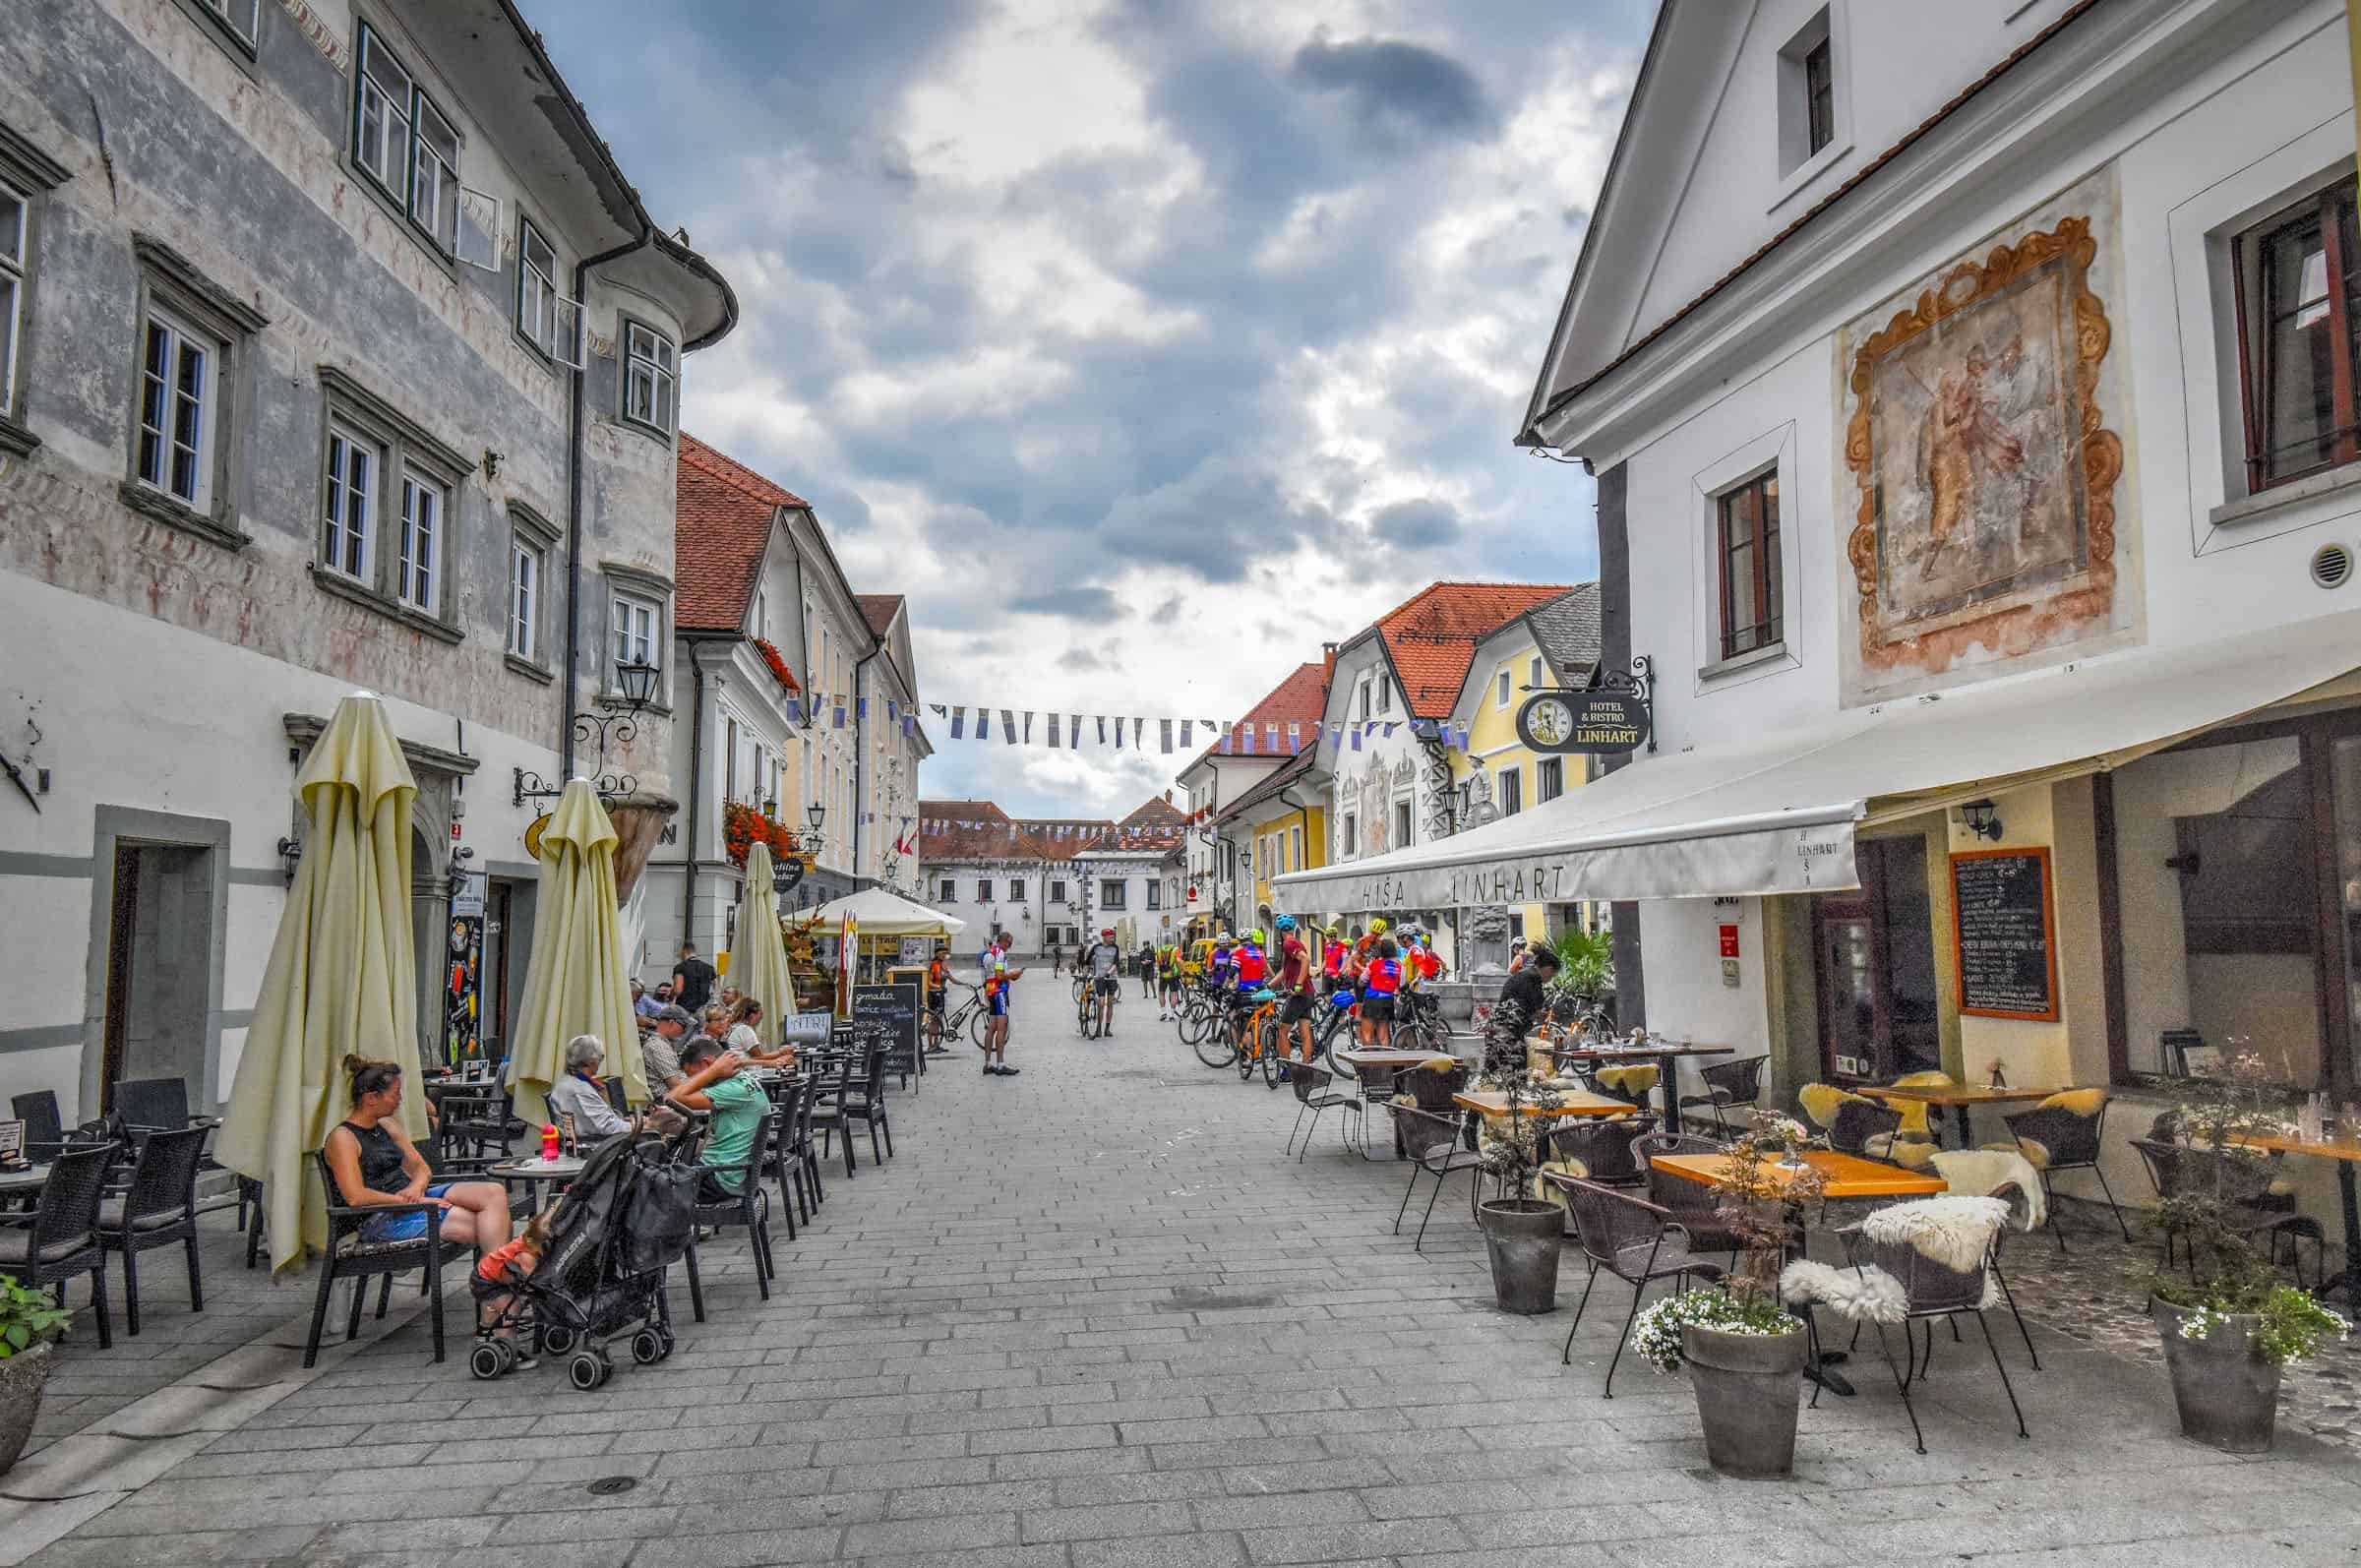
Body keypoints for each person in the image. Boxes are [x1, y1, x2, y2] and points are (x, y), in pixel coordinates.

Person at [323, 1055, 514, 1252]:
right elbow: (356, 1196)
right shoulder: (343, 1138)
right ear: (371, 1098)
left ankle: (492, 1277)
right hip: (379, 1218)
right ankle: (495, 1278)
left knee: (494, 1192)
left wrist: (415, 1189)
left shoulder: (387, 1125)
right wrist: (410, 1201)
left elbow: (421, 1168)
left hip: (410, 1201)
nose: (399, 1100)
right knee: (489, 1224)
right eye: (395, 1094)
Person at [664, 1035, 764, 1200]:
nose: (693, 1081)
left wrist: (713, 1071)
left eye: (693, 1075)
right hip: (732, 1174)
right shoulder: (742, 1080)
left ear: (707, 1063)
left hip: (720, 1180)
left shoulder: (731, 1089)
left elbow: (671, 1098)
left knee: (650, 1184)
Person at [471, 1205, 554, 1369]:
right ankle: (506, 1349)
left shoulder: (531, 1242)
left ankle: (490, 1332)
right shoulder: (526, 1255)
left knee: (513, 1305)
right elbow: (534, 1281)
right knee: (511, 1309)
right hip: (487, 1281)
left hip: (502, 1278)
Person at [545, 1034, 633, 1145]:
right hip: (594, 1148)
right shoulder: (580, 1089)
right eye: (601, 1058)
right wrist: (642, 1125)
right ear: (593, 1061)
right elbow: (608, 1127)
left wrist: (626, 1122)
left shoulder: (569, 1082)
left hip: (585, 1142)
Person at [1488, 944, 1558, 1074]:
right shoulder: (1533, 979)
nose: (1550, 979)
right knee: (1517, 1074)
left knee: (1498, 1075)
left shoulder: (1522, 975)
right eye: (1552, 975)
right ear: (1548, 969)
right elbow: (1538, 1012)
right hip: (1511, 1034)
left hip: (1498, 1030)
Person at [1275, 916, 1316, 1076]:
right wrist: (1269, 985)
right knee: (1305, 1032)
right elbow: (1285, 972)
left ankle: (1286, 1070)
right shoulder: (1297, 942)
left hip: (1299, 994)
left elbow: (1306, 960)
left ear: (1280, 931)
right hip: (1308, 994)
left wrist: (1298, 983)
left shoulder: (1288, 943)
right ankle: (1306, 1067)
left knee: (1283, 1030)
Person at [981, 936, 1024, 1075]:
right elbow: (999, 975)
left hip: (990, 991)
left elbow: (987, 976)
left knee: (991, 1028)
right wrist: (1012, 975)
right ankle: (1000, 1065)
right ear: (1003, 941)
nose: (1010, 946)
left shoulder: (988, 953)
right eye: (1009, 943)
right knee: (1002, 1028)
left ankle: (987, 1064)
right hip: (999, 993)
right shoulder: (999, 953)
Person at [641, 1003, 694, 1094]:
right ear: (672, 1022)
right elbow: (675, 1085)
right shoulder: (659, 1046)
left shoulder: (664, 1044)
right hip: (667, 1102)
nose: (684, 1031)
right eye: (684, 1026)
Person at [1362, 937, 1403, 1049]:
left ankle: (1368, 1062)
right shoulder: (1398, 967)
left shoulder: (1374, 964)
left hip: (1372, 999)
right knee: (1384, 1035)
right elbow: (1401, 984)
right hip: (1388, 1000)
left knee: (1367, 1033)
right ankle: (1386, 1062)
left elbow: (1362, 980)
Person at [1085, 928, 1122, 1040]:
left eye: (1113, 937)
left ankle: (1107, 1028)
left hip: (1111, 979)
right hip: (1099, 979)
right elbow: (1087, 961)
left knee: (1110, 1003)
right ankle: (1098, 1028)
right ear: (1104, 937)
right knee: (1101, 1003)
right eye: (1111, 937)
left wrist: (1109, 973)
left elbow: (1116, 963)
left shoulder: (1115, 948)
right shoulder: (1096, 948)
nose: (1113, 939)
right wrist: (1086, 972)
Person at [672, 943, 717, 1014]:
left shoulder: (680, 967)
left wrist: (671, 995)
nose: (679, 955)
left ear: (684, 951)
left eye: (679, 953)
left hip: (685, 1008)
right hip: (703, 1009)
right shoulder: (709, 967)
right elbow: (716, 987)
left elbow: (678, 990)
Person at [925, 945, 952, 1054]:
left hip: (940, 995)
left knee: (939, 1020)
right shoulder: (933, 965)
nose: (944, 955)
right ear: (937, 954)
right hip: (933, 995)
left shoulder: (944, 965)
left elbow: (950, 977)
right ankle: (930, 1045)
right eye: (942, 953)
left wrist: (964, 984)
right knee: (933, 1021)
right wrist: (939, 987)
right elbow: (929, 982)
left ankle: (937, 1044)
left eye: (945, 953)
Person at [1156, 941, 1182, 1021]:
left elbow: (1158, 964)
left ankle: (1163, 1013)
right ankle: (1171, 1015)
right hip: (1172, 975)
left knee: (1161, 993)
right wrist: (1181, 971)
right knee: (1173, 994)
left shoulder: (1159, 950)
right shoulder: (1176, 949)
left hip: (1162, 976)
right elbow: (1178, 961)